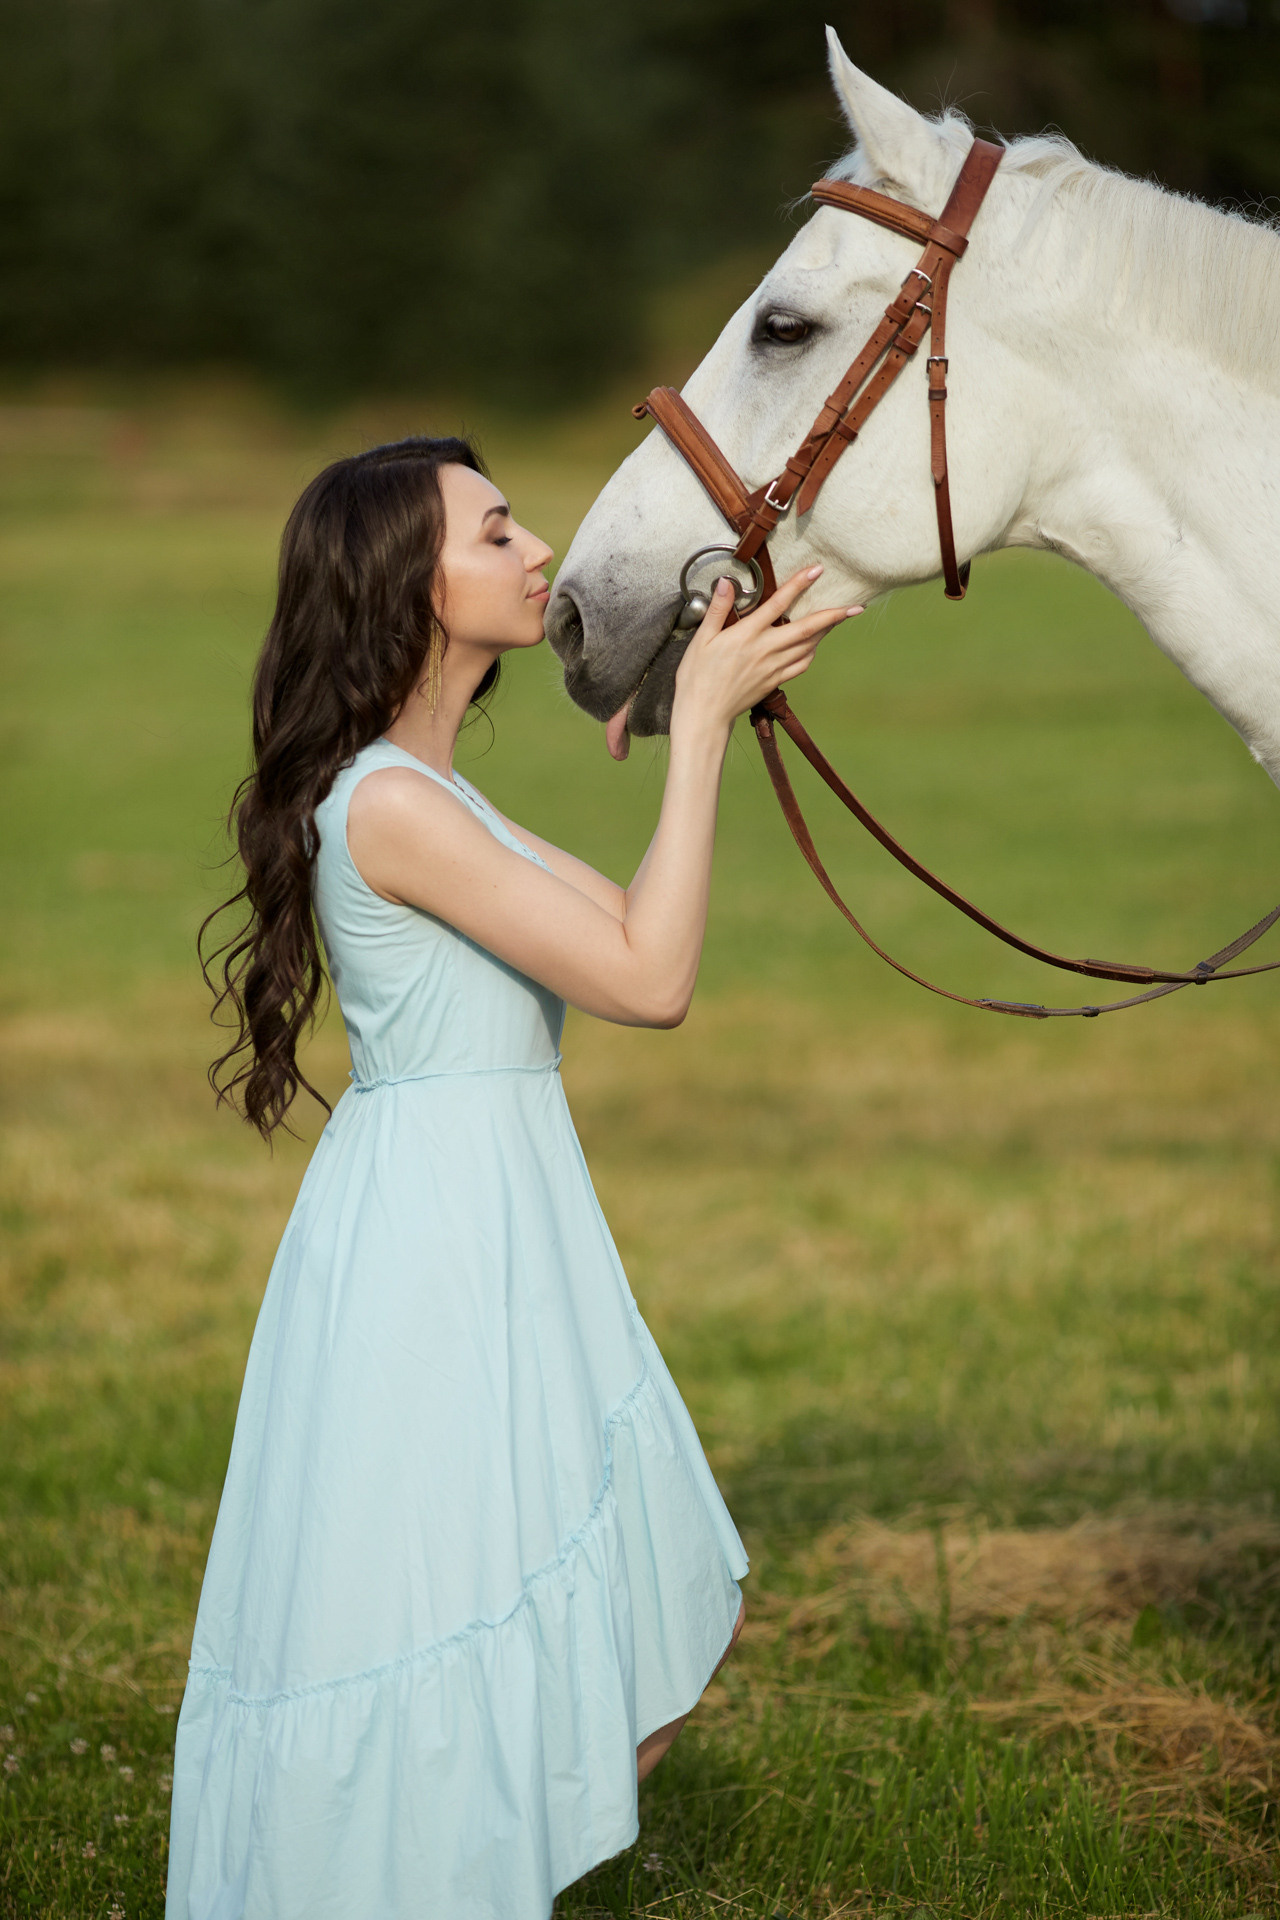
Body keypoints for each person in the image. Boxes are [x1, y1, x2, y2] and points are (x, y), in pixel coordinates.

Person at [168, 434, 856, 1920]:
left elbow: (630, 920)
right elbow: (649, 981)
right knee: (431, 1591)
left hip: (489, 1212)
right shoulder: (393, 809)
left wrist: (689, 707)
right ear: (404, 590)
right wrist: (700, 741)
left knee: (620, 1586)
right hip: (436, 1242)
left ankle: (458, 1870)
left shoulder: (433, 795)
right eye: (493, 535)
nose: (537, 545)